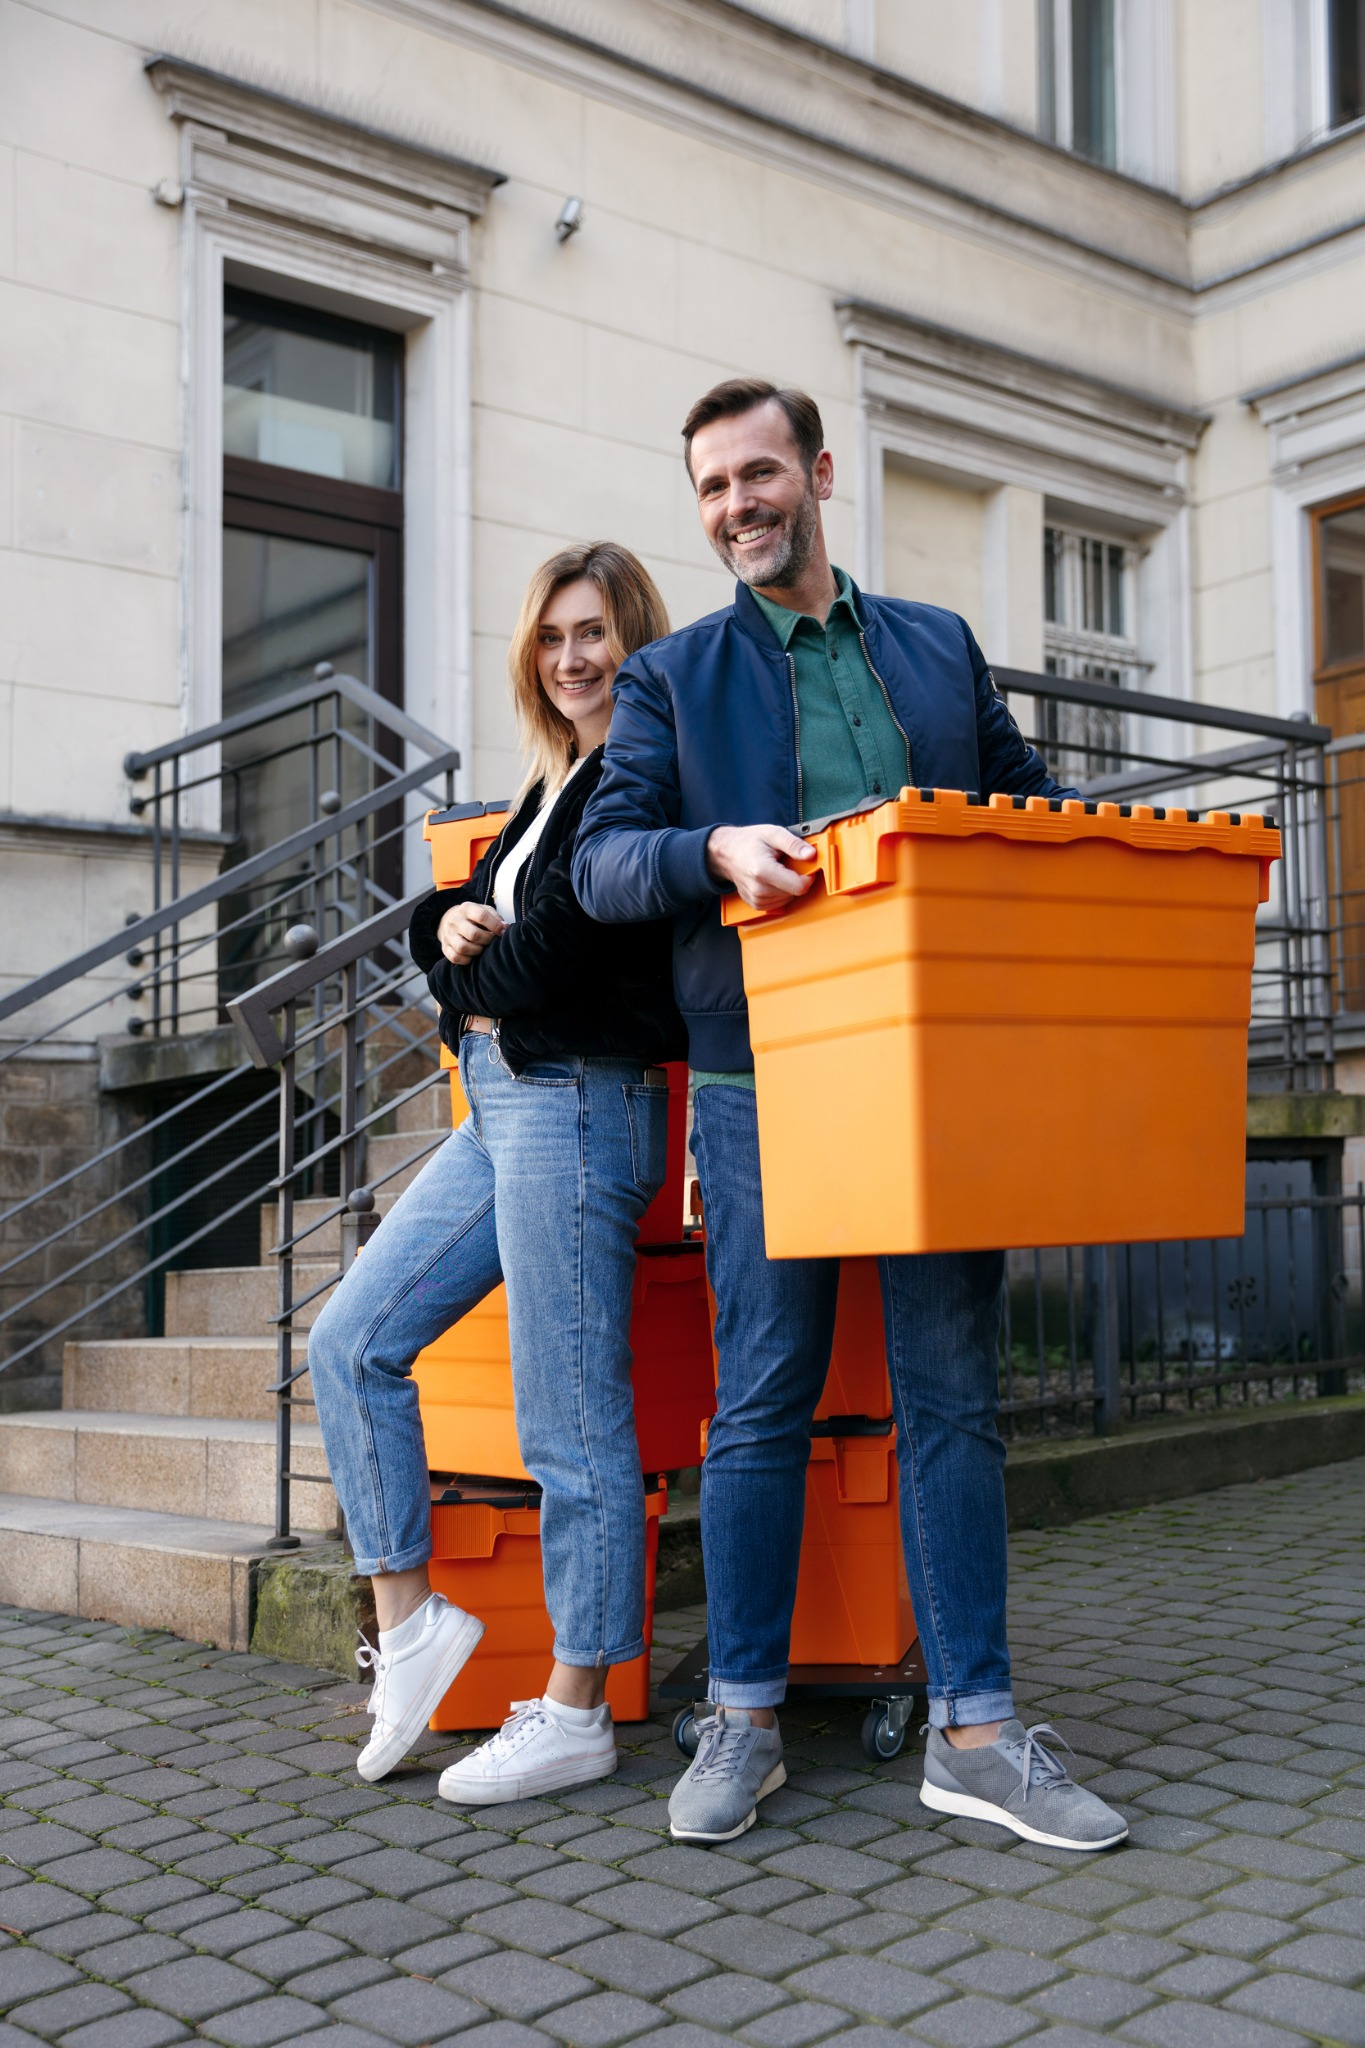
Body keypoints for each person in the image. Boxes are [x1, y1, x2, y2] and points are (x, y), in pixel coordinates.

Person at [573, 379, 1128, 1853]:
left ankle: (978, 1731)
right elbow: (605, 866)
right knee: (761, 1403)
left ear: (818, 472)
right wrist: (713, 848)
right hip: (764, 1078)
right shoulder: (673, 681)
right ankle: (740, 1718)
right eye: (709, 488)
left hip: (938, 1074)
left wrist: (1114, 851)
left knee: (954, 1398)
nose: (736, 505)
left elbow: (1020, 803)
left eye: (758, 474)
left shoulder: (935, 649)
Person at [308, 541, 685, 1804]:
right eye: (553, 637)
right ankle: (412, 1625)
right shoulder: (555, 777)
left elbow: (562, 954)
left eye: (595, 632)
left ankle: (578, 1704)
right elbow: (461, 915)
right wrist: (445, 929)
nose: (574, 657)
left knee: (571, 1424)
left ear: (635, 635)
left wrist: (468, 967)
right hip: (504, 1104)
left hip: (581, 1105)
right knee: (350, 1341)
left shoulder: (643, 768)